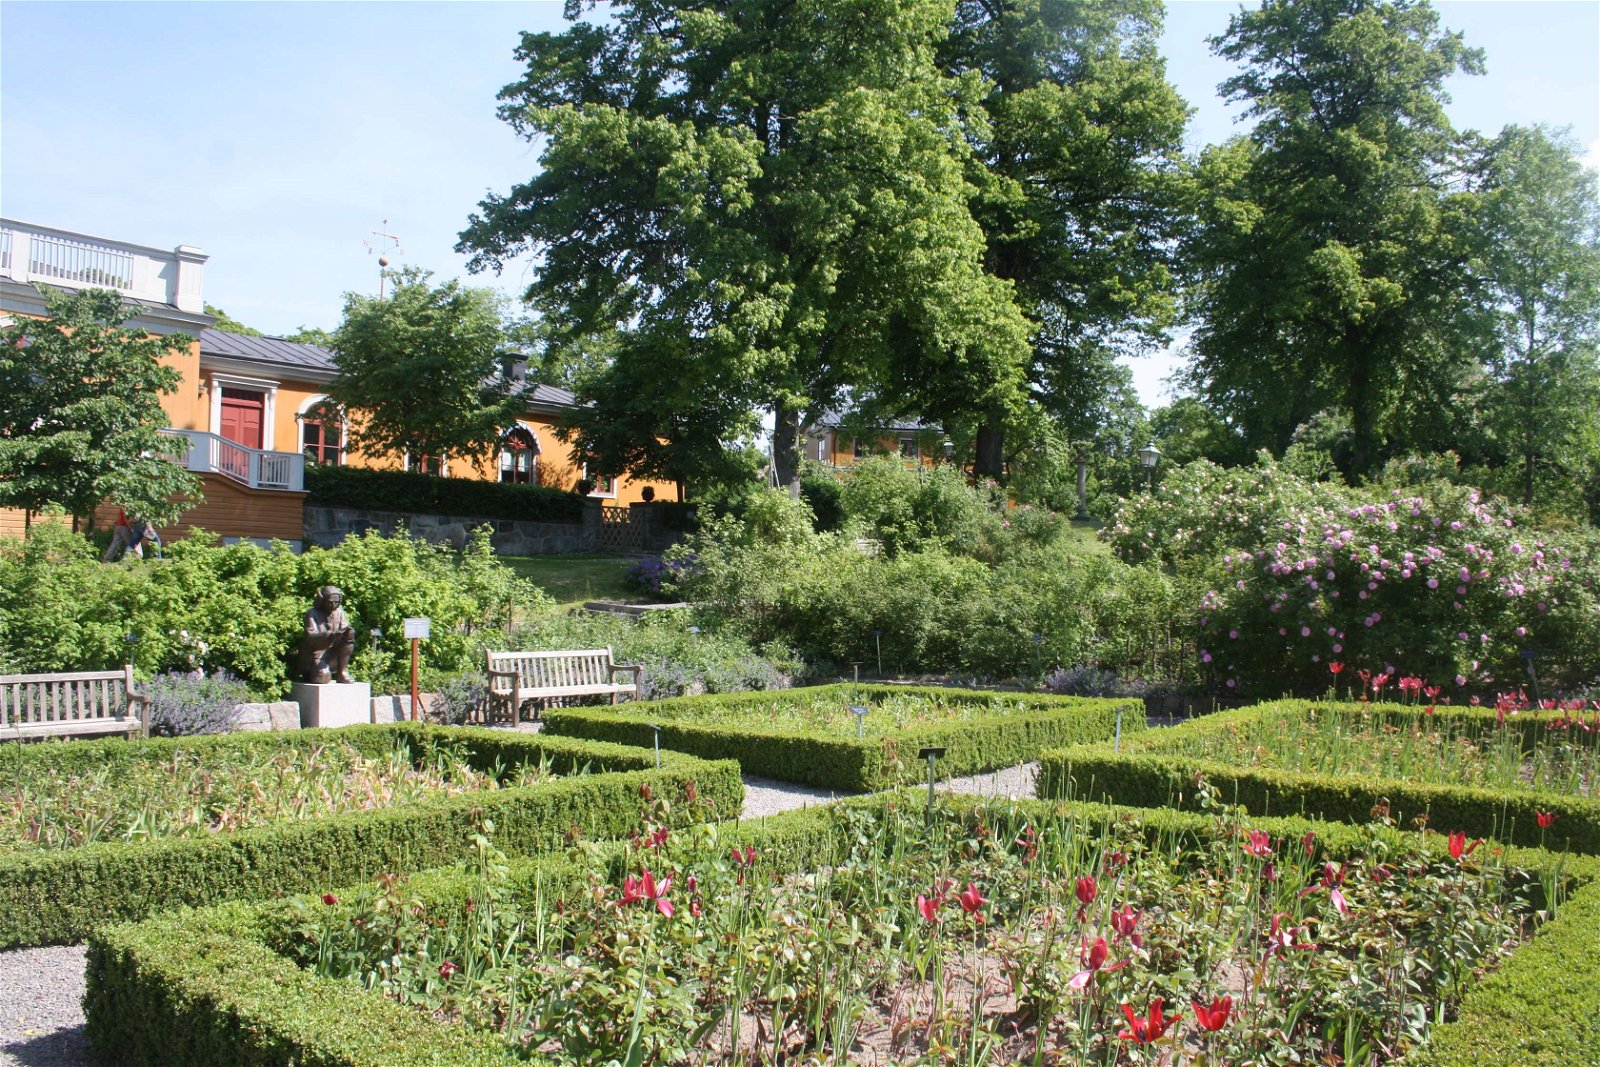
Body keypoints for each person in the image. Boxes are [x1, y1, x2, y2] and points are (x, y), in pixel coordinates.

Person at [297, 585, 357, 684]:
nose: (333, 605)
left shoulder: (340, 612)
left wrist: (348, 632)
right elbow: (311, 635)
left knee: (349, 638)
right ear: (323, 600)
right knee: (323, 678)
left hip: (334, 651)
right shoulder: (312, 613)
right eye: (330, 602)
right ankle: (311, 672)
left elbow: (345, 628)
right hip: (317, 652)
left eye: (336, 602)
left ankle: (341, 672)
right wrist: (329, 635)